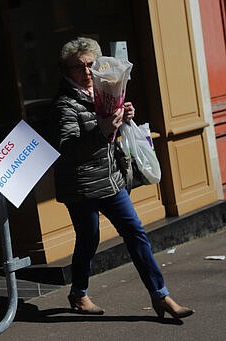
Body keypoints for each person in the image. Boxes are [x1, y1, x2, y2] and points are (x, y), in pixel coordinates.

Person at [50, 37, 194, 318]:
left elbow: (111, 135)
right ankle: (79, 294)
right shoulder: (64, 106)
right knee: (89, 240)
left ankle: (160, 296)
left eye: (91, 64)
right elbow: (67, 149)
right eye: (79, 67)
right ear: (68, 72)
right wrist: (102, 130)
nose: (87, 72)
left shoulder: (105, 90)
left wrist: (125, 116)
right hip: (81, 186)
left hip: (111, 180)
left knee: (136, 234)